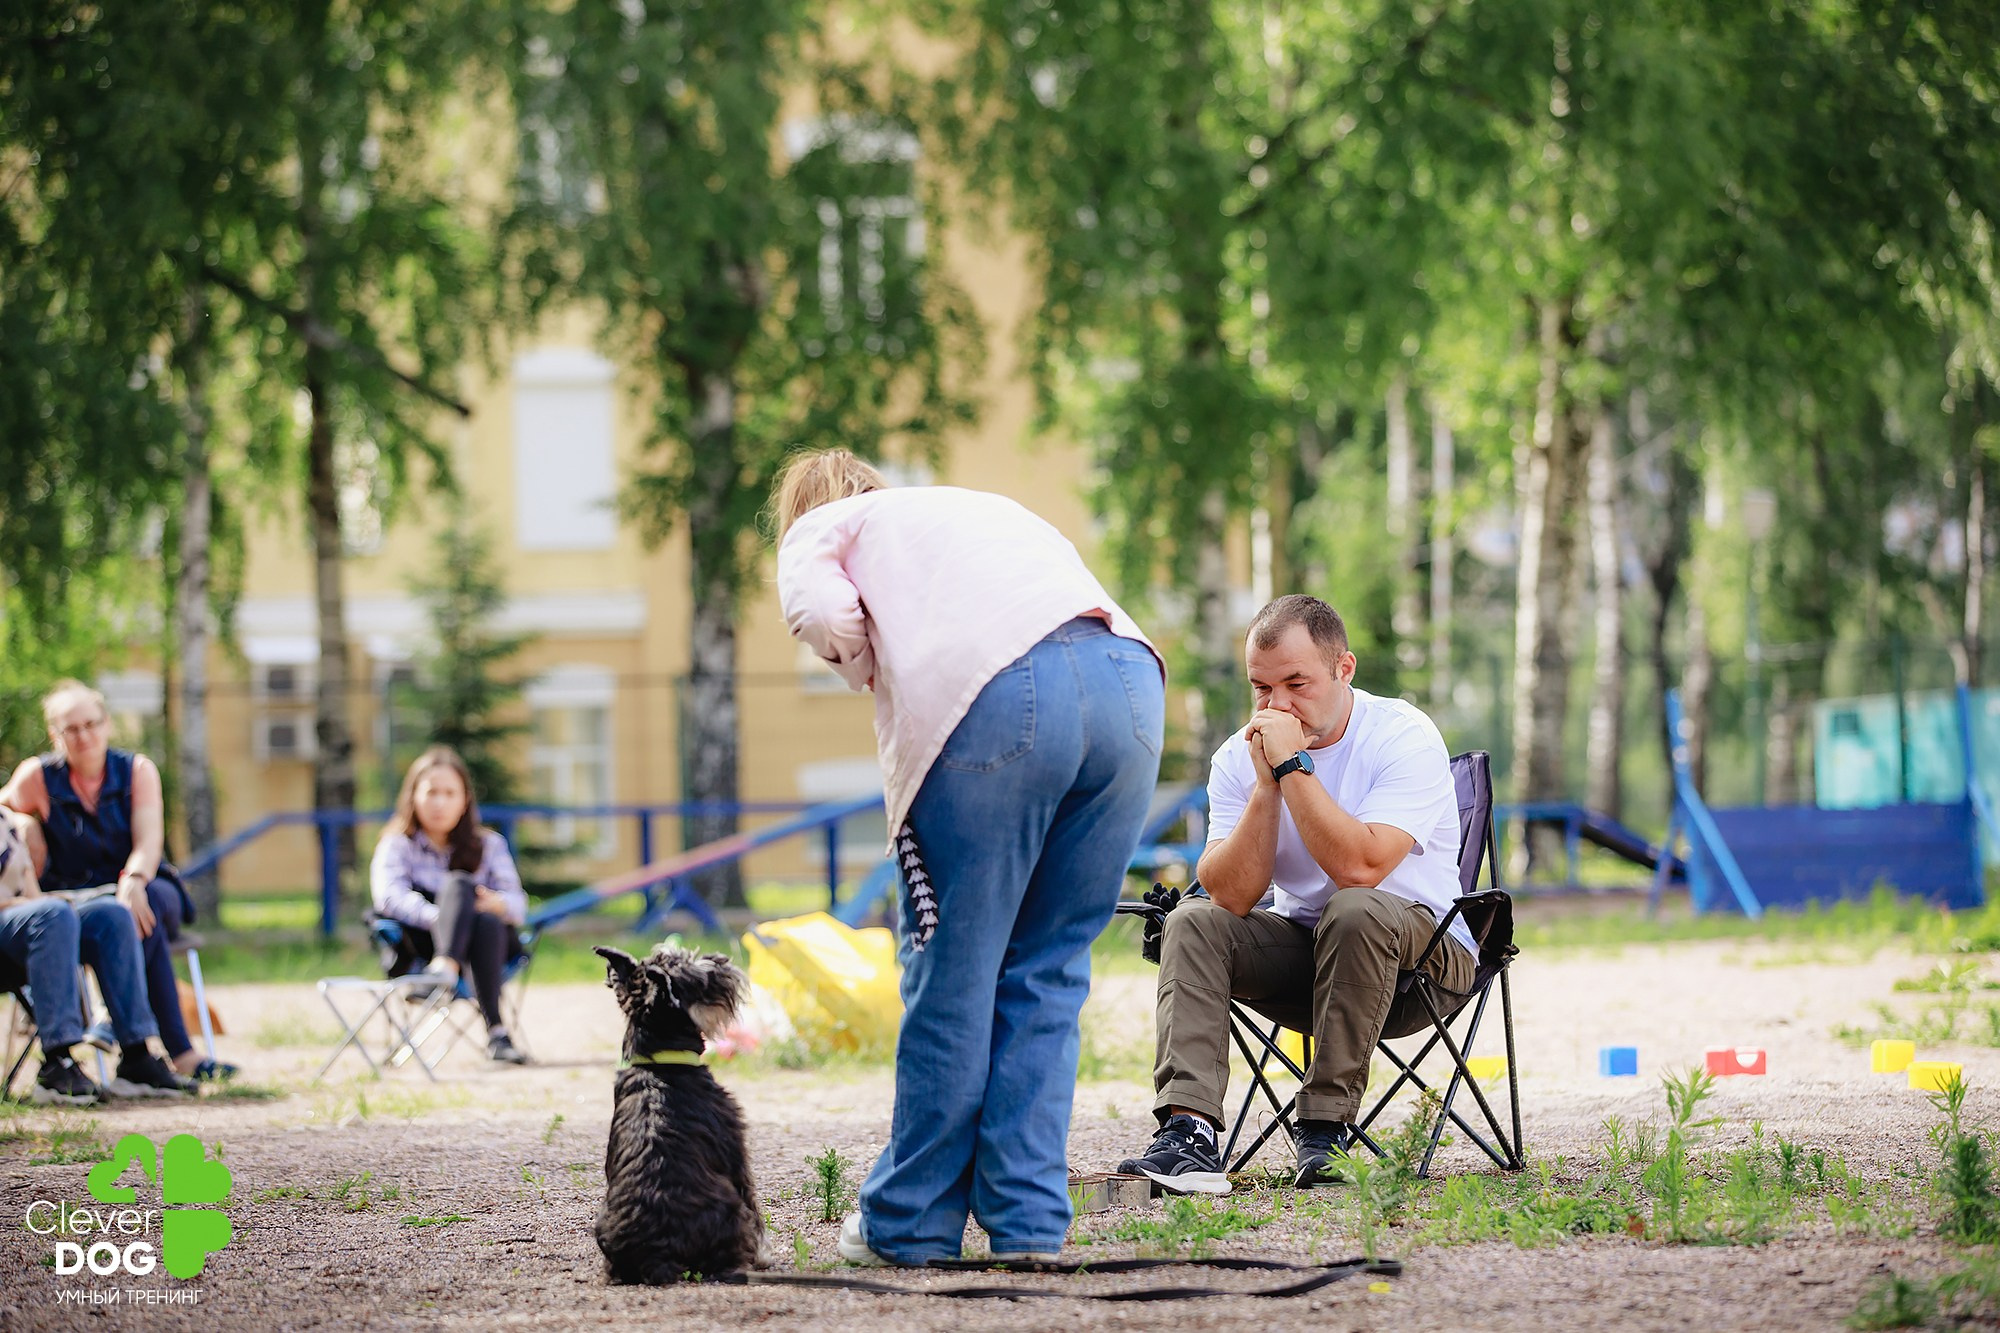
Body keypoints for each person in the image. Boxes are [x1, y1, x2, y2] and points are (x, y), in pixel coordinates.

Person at [774, 449, 1166, 1267]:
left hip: (1002, 699)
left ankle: (909, 1224)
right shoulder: (975, 509)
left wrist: (862, 658)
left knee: (953, 973)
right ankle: (1026, 1225)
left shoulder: (829, 524)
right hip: (1130, 685)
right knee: (1049, 973)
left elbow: (820, 613)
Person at [1116, 594, 1475, 1192]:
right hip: (1309, 962)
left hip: (1423, 966)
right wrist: (1266, 787)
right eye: (1261, 688)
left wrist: (1294, 770)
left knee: (1355, 907)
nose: (1276, 704)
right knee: (1192, 920)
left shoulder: (1402, 735)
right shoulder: (1238, 758)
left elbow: (1362, 867)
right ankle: (1188, 1134)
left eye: (1296, 683)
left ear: (1344, 669)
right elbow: (1230, 895)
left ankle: (1326, 1132)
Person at [0, 679, 230, 1083]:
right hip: (77, 896)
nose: (84, 735)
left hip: (143, 881)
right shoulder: (38, 775)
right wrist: (24, 820)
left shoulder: (136, 770)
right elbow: (3, 813)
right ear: (56, 735)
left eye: (92, 724)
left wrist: (134, 878)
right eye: (72, 729)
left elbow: (149, 841)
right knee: (111, 916)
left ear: (107, 724)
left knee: (143, 909)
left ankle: (128, 1032)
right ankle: (161, 1054)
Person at [0, 811, 190, 1104]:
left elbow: (33, 896)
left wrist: (23, 822)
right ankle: (57, 1063)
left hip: (24, 923)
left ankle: (136, 1056)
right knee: (52, 914)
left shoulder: (7, 821)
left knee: (111, 915)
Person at [370, 746, 530, 1065]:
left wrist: (496, 903)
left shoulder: (490, 845)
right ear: (413, 796)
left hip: (491, 946)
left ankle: (443, 972)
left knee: (476, 907)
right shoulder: (396, 844)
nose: (439, 802)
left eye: (449, 793)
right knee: (461, 892)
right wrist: (447, 918)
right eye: (431, 792)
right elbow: (388, 896)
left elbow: (518, 904)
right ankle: (497, 1034)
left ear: (465, 800)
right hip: (420, 944)